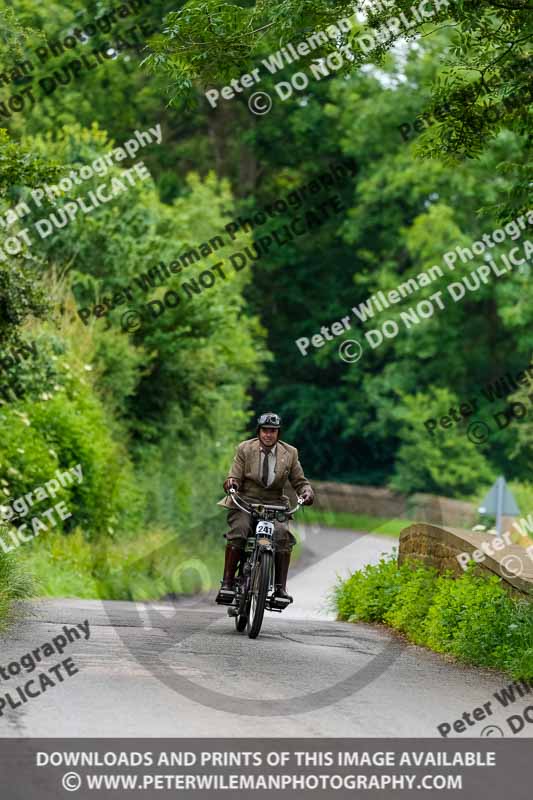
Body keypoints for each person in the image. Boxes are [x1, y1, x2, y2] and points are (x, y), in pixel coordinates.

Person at [215, 412, 314, 605]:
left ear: (278, 433)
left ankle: (280, 589)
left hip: (275, 505)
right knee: (240, 531)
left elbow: (300, 481)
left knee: (282, 536)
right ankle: (227, 583)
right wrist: (232, 484)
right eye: (265, 430)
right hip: (245, 502)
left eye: (273, 431)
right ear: (259, 431)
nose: (269, 434)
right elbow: (233, 476)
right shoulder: (245, 448)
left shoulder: (290, 453)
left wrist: (307, 492)